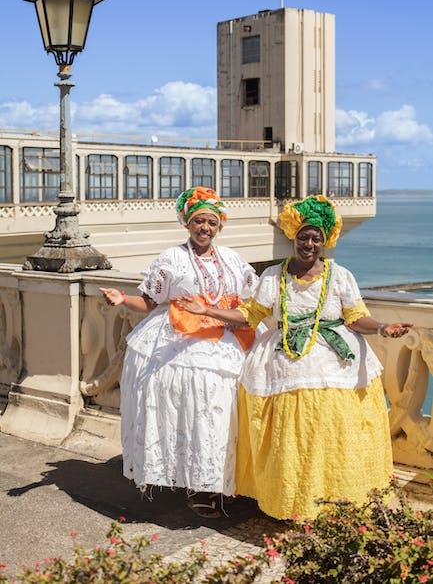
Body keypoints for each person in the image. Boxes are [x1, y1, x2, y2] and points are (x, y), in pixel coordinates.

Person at [178, 195, 412, 519]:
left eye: (316, 238)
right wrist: (207, 309)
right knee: (293, 439)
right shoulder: (274, 276)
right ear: (294, 237)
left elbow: (356, 317)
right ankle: (294, 502)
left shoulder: (340, 275)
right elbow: (250, 316)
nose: (310, 243)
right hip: (284, 359)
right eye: (304, 236)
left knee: (330, 433)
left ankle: (338, 503)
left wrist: (384, 328)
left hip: (335, 361)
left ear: (324, 241)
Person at [100, 186, 257, 518]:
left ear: (219, 226)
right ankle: (196, 484)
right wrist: (122, 299)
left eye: (211, 223)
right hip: (179, 340)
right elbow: (149, 301)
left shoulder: (232, 259)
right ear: (187, 223)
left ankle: (220, 480)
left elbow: (253, 298)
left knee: (221, 411)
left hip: (226, 339)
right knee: (186, 409)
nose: (205, 229)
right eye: (199, 221)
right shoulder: (171, 259)